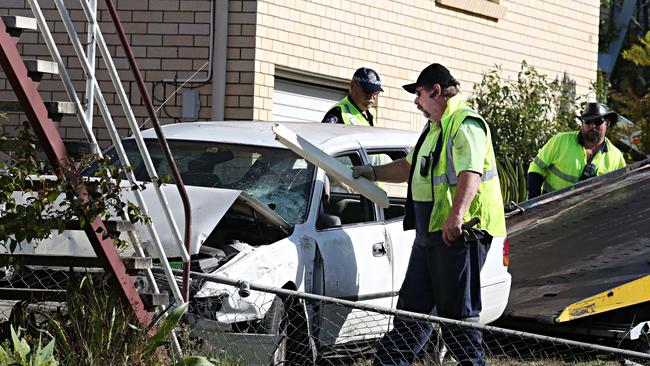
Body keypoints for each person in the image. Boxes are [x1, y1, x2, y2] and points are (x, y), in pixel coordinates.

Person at [352, 63, 506, 366]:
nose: (416, 101)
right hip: (430, 234)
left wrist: (456, 216)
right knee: (411, 312)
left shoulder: (466, 124)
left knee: (456, 320)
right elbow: (409, 168)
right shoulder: (434, 127)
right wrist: (371, 172)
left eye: (419, 94)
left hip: (458, 235)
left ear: (436, 91)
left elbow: (470, 173)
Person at [527, 102, 626, 199]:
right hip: (550, 208)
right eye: (588, 121)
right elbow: (537, 167)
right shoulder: (561, 141)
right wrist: (533, 200)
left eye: (598, 121)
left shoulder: (616, 157)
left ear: (607, 123)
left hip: (590, 213)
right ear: (582, 123)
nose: (592, 126)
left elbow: (620, 191)